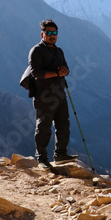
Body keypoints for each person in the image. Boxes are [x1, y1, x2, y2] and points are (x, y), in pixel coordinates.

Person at [28, 19, 77, 169]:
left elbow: (66, 69)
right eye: (48, 33)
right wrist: (56, 73)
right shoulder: (36, 51)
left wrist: (64, 71)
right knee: (43, 128)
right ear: (42, 34)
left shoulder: (59, 51)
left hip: (60, 95)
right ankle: (41, 159)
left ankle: (60, 154)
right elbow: (35, 72)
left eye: (54, 33)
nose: (52, 36)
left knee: (63, 125)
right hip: (43, 97)